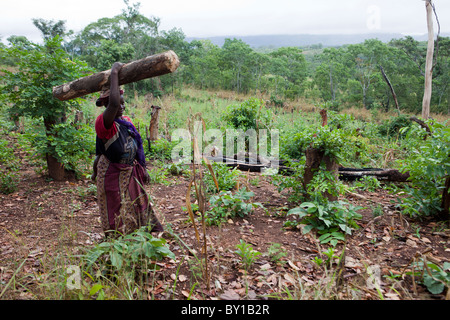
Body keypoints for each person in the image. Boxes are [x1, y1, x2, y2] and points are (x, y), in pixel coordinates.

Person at [92, 62, 163, 237]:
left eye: (124, 104)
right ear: (108, 106)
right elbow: (114, 103)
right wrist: (115, 72)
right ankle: (117, 242)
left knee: (136, 202)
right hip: (111, 172)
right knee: (115, 208)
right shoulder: (105, 124)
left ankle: (138, 235)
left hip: (129, 170)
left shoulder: (126, 121)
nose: (121, 107)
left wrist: (143, 168)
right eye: (118, 104)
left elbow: (137, 145)